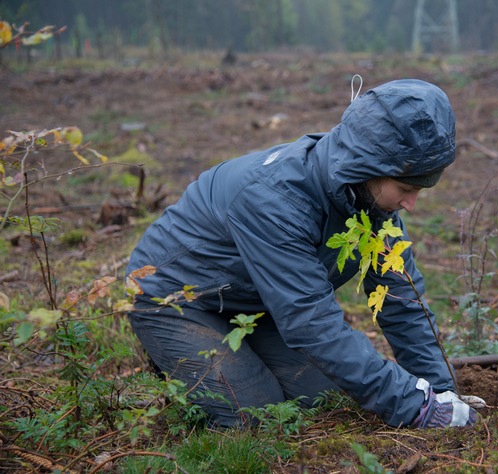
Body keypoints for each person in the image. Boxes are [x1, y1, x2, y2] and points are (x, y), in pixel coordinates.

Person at [125, 78, 478, 429]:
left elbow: (401, 300)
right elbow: (310, 322)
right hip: (175, 299)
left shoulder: (371, 203)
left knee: (329, 399)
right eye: (405, 188)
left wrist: (440, 391)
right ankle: (174, 358)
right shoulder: (275, 202)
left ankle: (233, 361)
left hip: (252, 301)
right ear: (368, 165)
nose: (410, 204)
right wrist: (412, 405)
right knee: (255, 417)